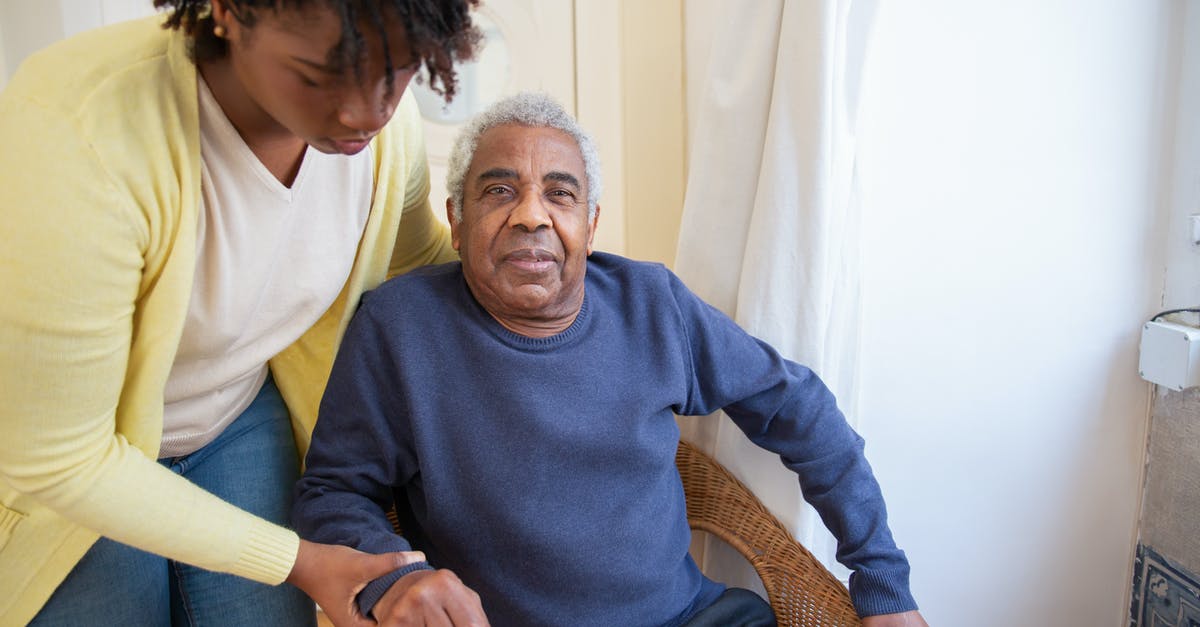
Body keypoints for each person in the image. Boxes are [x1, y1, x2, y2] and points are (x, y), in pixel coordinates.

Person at [292, 91, 930, 627]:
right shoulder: (400, 327)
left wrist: (883, 581)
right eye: (498, 191)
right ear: (456, 222)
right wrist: (393, 581)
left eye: (560, 194)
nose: (531, 216)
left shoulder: (652, 304)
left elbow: (799, 408)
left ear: (591, 225)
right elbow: (332, 492)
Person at [0, 1, 483, 625]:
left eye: (399, 72)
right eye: (316, 76)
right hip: (74, 456)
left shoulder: (388, 136)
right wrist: (298, 559)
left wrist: (583, 288)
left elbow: (420, 267)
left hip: (237, 412)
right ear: (226, 11)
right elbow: (57, 456)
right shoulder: (78, 131)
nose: (367, 112)